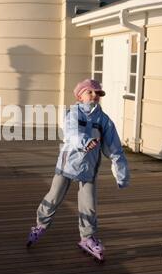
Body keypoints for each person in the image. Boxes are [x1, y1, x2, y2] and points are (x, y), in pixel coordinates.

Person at [26, 79, 130, 262]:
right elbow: (71, 133)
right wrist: (85, 142)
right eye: (91, 92)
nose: (95, 96)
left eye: (98, 94)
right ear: (80, 95)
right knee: (54, 196)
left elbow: (114, 149)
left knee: (88, 204)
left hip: (89, 168)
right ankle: (40, 225)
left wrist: (121, 175)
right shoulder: (72, 113)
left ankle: (87, 238)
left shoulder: (104, 121)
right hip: (67, 165)